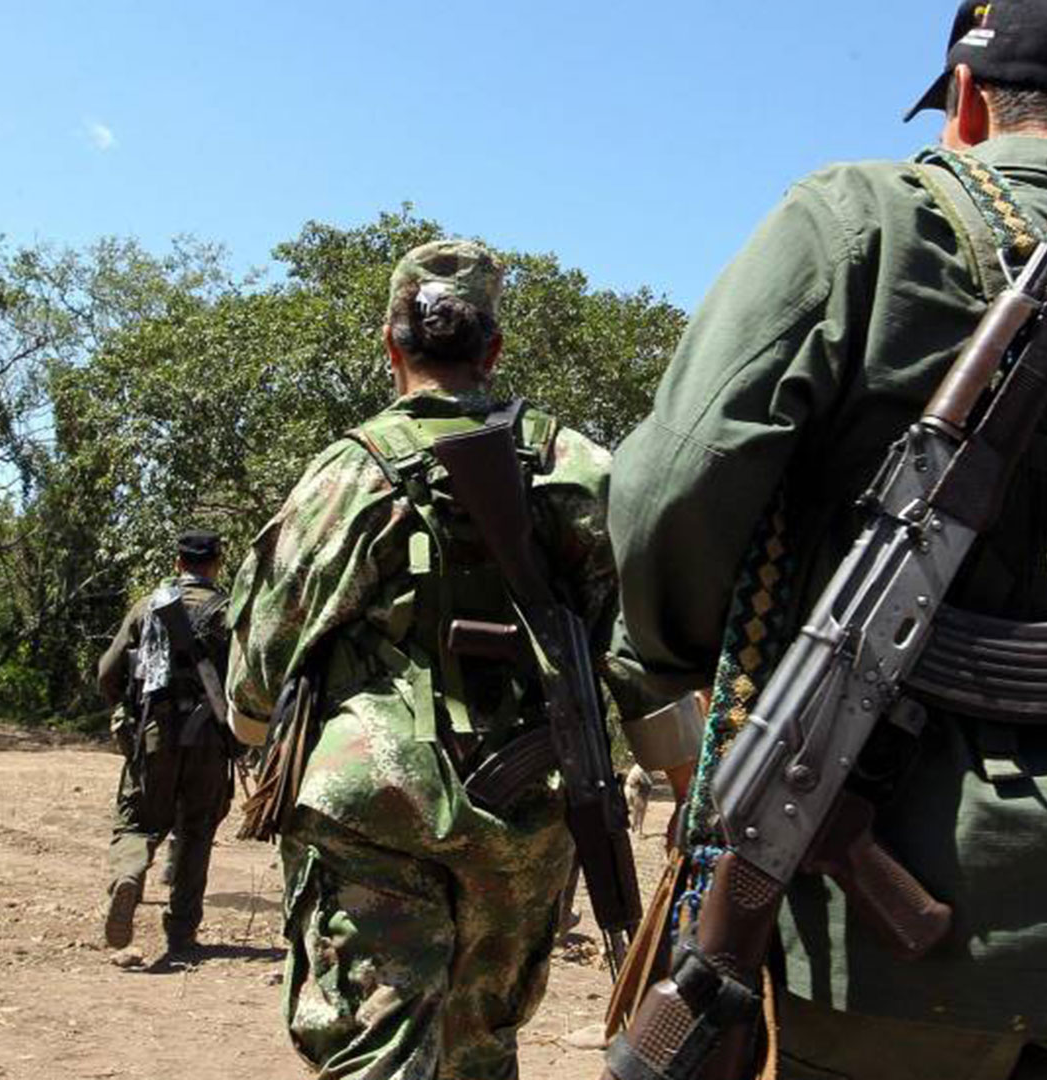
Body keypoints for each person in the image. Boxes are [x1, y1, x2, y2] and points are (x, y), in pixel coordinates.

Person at [608, 2, 1047, 1077]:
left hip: (899, 964)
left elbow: (670, 488)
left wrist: (690, 687)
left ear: (965, 100)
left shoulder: (856, 217)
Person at [225, 240, 696, 1080]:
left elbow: (264, 653)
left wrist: (253, 723)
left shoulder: (348, 472)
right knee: (480, 1043)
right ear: (495, 349)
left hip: (370, 806)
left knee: (374, 1046)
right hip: (525, 810)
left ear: (390, 342)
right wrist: (683, 782)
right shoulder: (576, 465)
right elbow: (640, 648)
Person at [96, 529, 236, 955]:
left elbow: (107, 673)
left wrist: (128, 707)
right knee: (196, 832)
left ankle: (129, 877)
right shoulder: (229, 613)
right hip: (209, 739)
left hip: (154, 733)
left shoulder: (147, 608)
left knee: (138, 821)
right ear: (217, 564)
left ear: (178, 563)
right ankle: (181, 934)